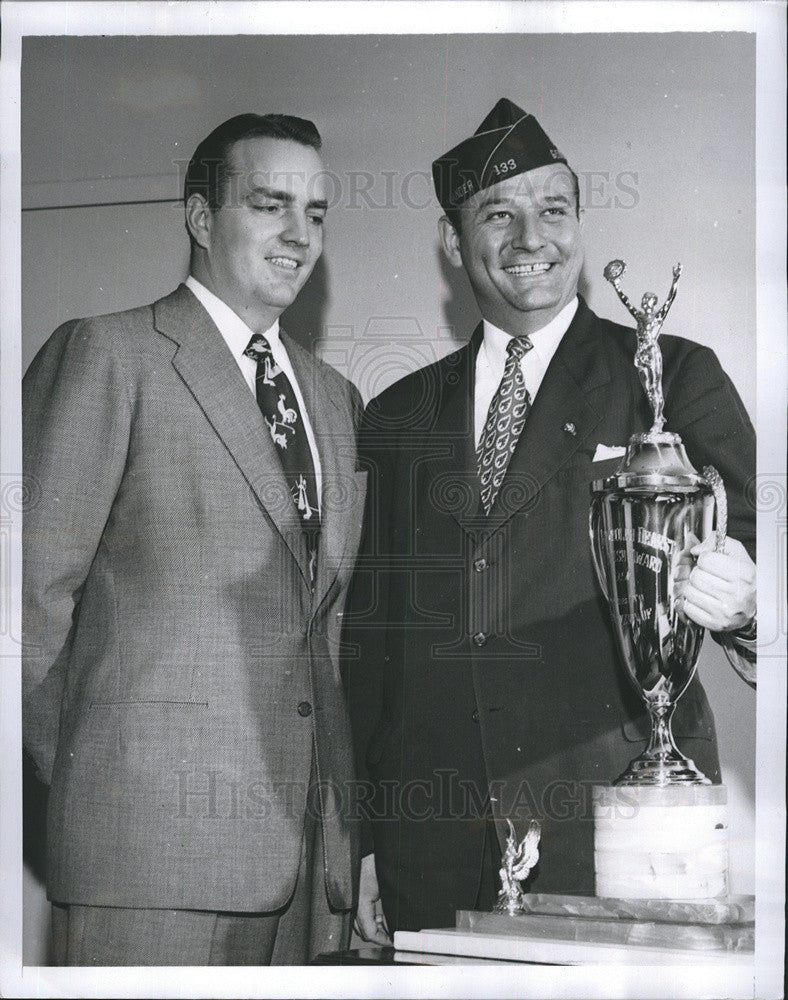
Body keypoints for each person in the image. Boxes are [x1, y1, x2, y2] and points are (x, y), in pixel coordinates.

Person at [343, 99, 757, 938]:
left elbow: (756, 549)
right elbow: (371, 650)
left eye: (554, 210)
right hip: (435, 846)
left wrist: (748, 602)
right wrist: (365, 846)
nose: (532, 238)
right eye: (499, 214)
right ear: (455, 243)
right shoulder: (393, 418)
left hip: (623, 834)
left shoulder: (669, 378)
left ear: (580, 224)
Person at [22, 113, 367, 965]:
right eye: (270, 203)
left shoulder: (335, 399)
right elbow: (24, 602)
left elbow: (324, 634)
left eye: (316, 212)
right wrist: (95, 783)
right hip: (144, 854)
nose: (299, 233)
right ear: (202, 219)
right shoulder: (110, 353)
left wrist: (343, 839)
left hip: (303, 866)